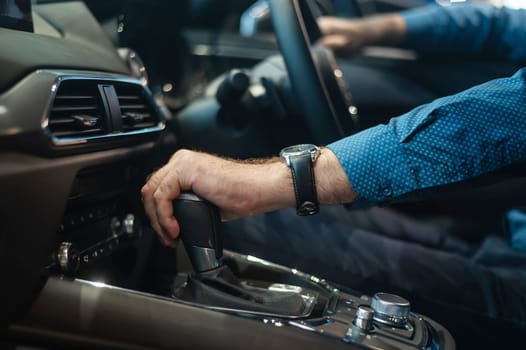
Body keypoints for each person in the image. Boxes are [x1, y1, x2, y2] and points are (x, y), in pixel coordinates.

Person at [141, 3, 526, 348]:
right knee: (293, 221)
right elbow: (497, 25)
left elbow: (506, 117)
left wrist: (281, 181)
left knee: (245, 228)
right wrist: (370, 31)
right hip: (509, 246)